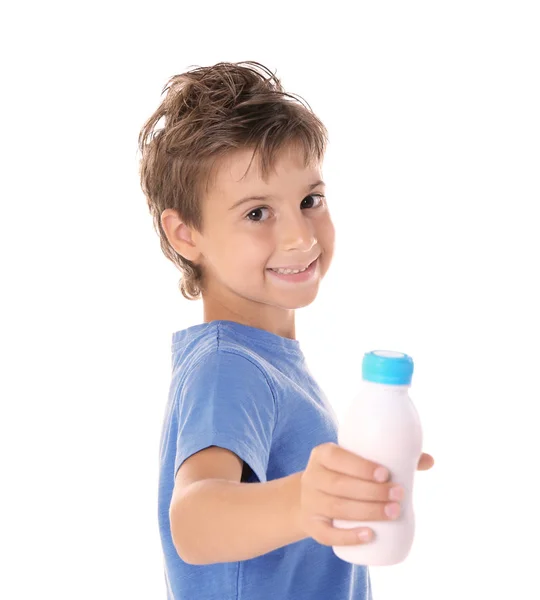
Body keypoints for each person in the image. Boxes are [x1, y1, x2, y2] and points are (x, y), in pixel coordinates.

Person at [137, 60, 434, 600]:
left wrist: (353, 482)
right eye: (257, 213)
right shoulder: (229, 364)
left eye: (309, 200)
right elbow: (196, 522)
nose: (300, 236)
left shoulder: (266, 360)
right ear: (185, 234)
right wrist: (307, 501)